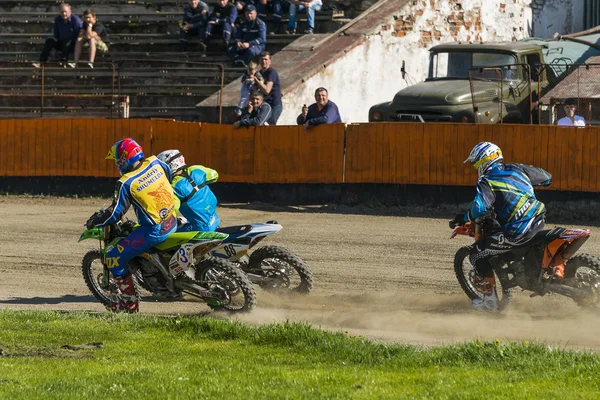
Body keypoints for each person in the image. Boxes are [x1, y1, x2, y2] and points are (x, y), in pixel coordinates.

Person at [449, 142, 553, 313]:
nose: (476, 167)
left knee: (476, 254)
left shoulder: (486, 180)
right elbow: (547, 177)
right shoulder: (517, 169)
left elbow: (481, 208)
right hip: (538, 219)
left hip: (517, 231)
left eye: (476, 163)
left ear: (485, 160)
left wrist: (464, 217)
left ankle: (490, 303)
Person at [85, 138, 177, 312]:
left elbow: (115, 213)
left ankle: (129, 304)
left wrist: (95, 221)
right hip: (172, 219)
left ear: (124, 159)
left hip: (154, 230)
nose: (117, 164)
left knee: (113, 256)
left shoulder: (126, 182)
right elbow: (169, 178)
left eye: (117, 160)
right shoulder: (156, 162)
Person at [157, 150, 220, 232]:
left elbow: (171, 211)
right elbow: (215, 175)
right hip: (215, 219)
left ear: (170, 166)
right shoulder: (196, 169)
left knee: (167, 234)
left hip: (201, 229)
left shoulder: (173, 188)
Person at [33, 3, 82, 67]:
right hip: (61, 42)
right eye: (62, 12)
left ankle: (63, 61)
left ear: (70, 12)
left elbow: (78, 34)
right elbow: (56, 34)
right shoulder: (58, 19)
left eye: (65, 12)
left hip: (72, 44)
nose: (64, 14)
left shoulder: (76, 20)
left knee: (68, 41)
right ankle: (42, 61)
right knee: (50, 40)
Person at [253, 51, 282, 124]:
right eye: (262, 59)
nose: (263, 61)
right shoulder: (259, 73)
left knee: (271, 125)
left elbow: (267, 90)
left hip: (274, 104)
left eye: (266, 59)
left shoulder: (271, 72)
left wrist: (257, 81)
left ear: (270, 61)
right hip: (265, 104)